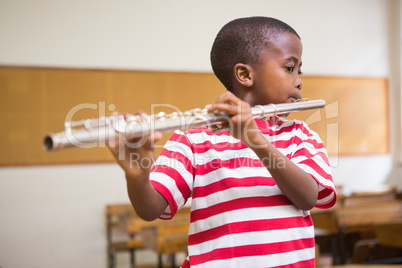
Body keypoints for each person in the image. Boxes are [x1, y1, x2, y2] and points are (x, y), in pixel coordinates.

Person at [109, 16, 337, 268]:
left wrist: (256, 141)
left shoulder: (300, 134)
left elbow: (308, 198)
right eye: (289, 68)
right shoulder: (193, 137)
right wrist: (138, 177)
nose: (299, 80)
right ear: (245, 74)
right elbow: (150, 210)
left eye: (299, 70)